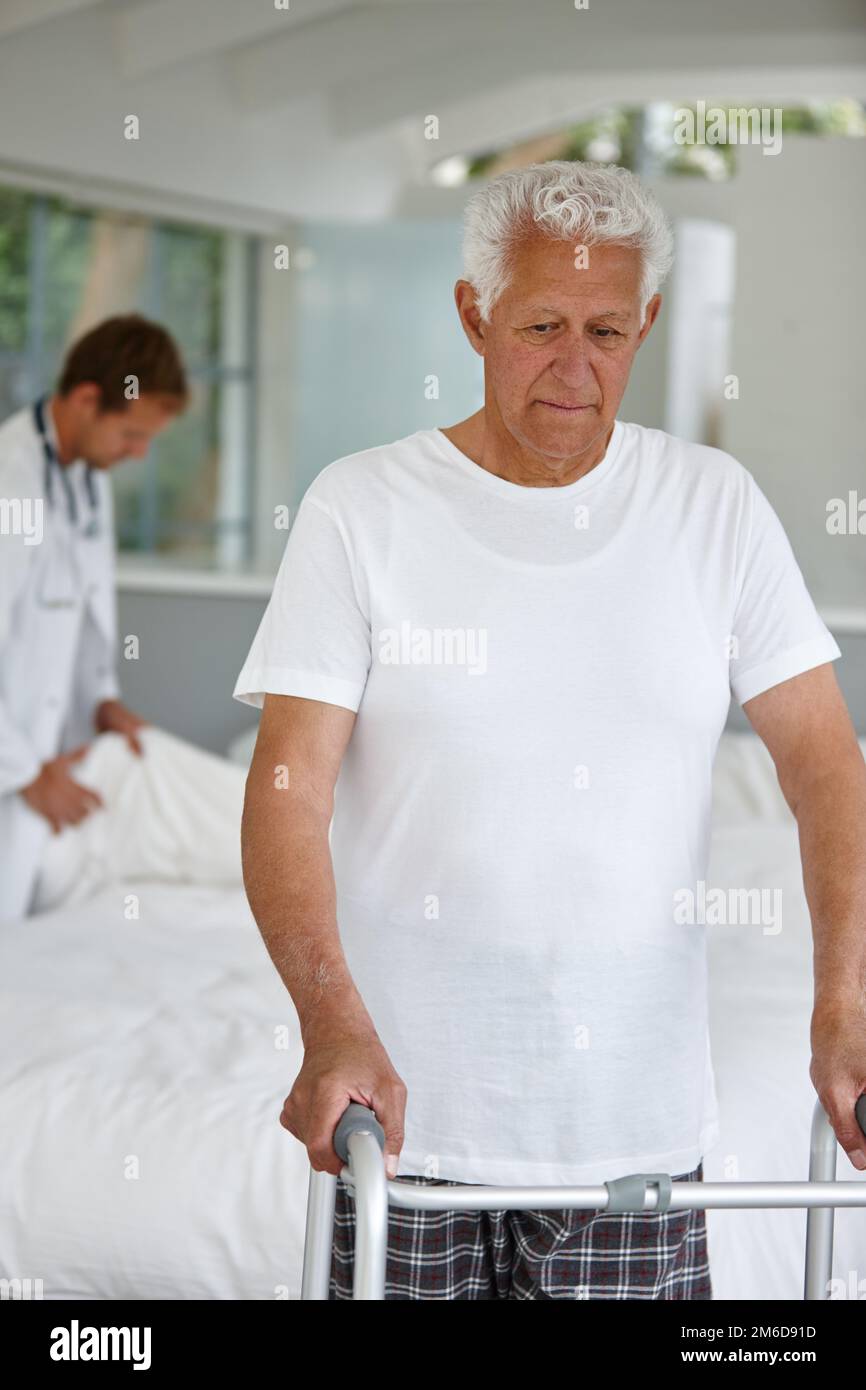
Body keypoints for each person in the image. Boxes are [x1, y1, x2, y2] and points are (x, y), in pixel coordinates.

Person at [233, 161, 866, 1299]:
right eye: (538, 325)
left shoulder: (711, 506)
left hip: (630, 1137)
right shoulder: (359, 508)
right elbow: (287, 786)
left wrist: (845, 1001)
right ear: (472, 313)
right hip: (400, 1127)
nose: (574, 368)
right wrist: (329, 1021)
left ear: (648, 326)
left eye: (605, 330)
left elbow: (824, 763)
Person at [0, 313, 189, 921]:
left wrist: (101, 698)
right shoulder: (12, 484)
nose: (139, 453)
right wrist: (24, 770)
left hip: (50, 758)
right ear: (86, 400)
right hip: (16, 765)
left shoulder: (87, 478)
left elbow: (83, 608)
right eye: (132, 434)